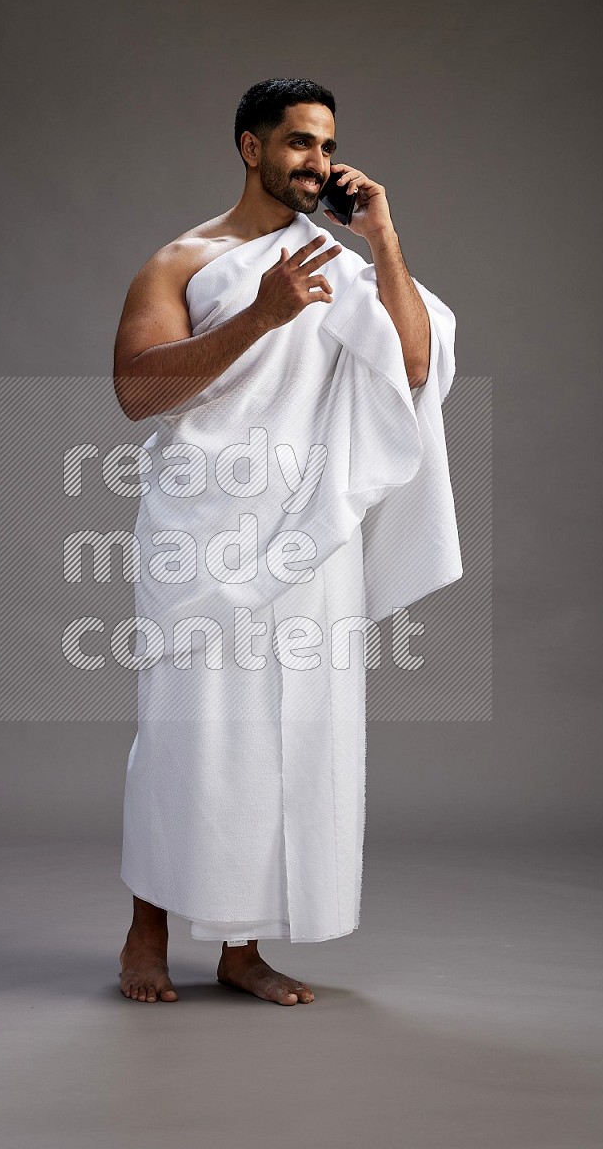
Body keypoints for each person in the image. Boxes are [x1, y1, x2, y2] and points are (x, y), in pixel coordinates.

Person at [112, 78, 461, 1006]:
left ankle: (241, 948)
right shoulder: (183, 262)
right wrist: (262, 316)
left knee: (291, 736)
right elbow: (137, 393)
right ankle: (144, 935)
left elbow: (414, 366)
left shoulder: (338, 263)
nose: (317, 162)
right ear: (248, 146)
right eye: (299, 143)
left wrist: (380, 238)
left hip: (310, 535)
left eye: (327, 146)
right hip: (203, 533)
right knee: (187, 734)